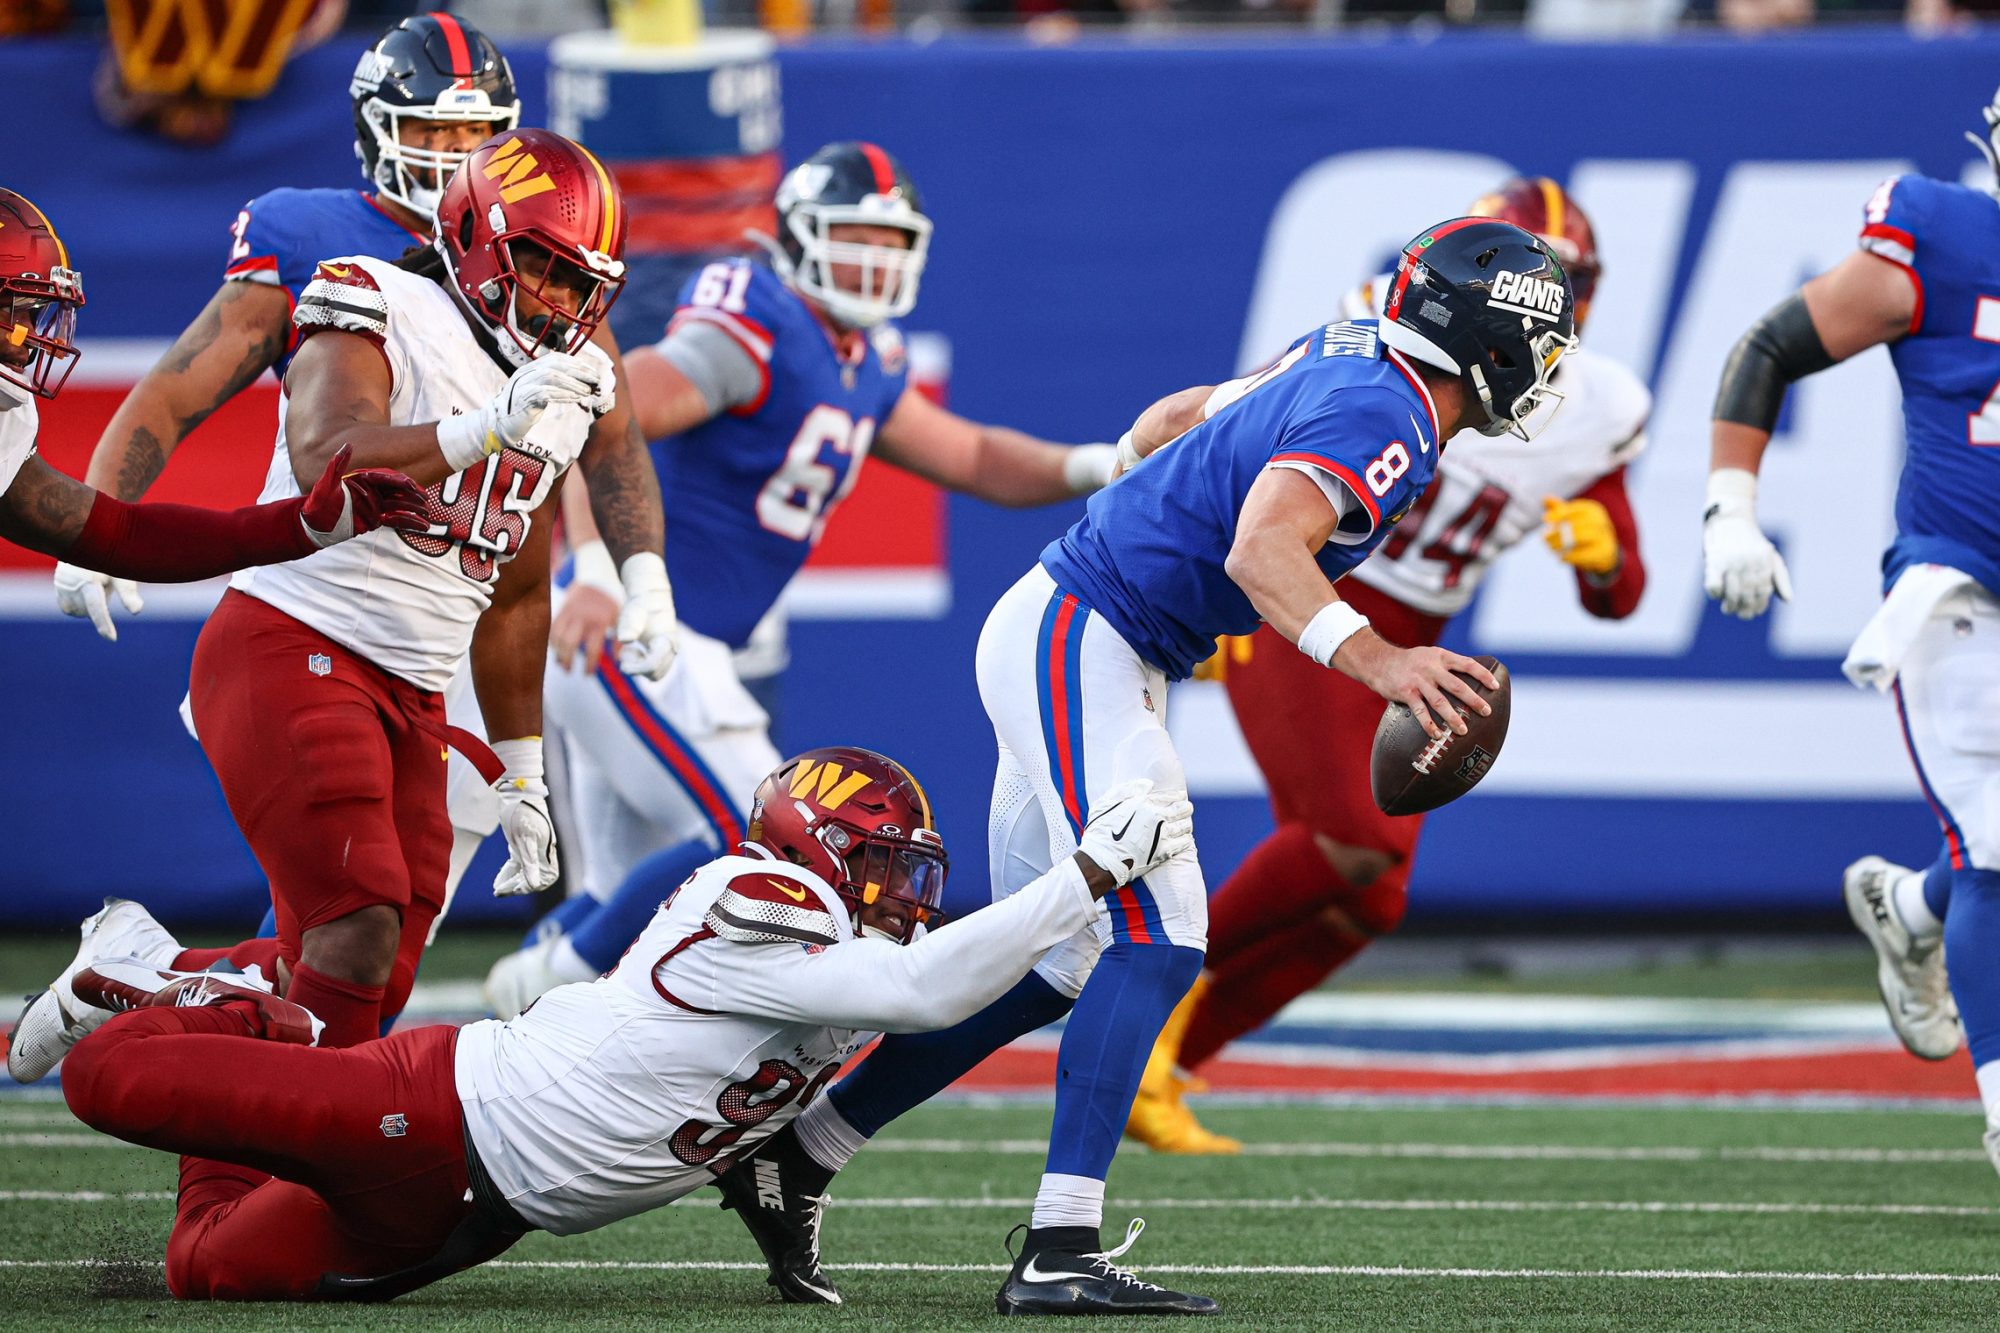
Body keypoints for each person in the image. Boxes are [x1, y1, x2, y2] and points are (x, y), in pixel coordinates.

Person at [719, 217, 1577, 1315]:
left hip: (1081, 625)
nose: (1546, 365)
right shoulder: (1392, 409)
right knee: (1161, 931)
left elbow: (1171, 422)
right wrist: (1379, 661)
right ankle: (1056, 1246)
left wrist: (1144, 520)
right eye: (1536, 338)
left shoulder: (1349, 349)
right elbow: (1261, 548)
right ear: (1487, 342)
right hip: (1087, 634)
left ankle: (803, 1148)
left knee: (1058, 959)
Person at [10, 128, 677, 1085]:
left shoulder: (558, 380)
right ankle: (237, 1182)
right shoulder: (373, 293)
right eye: (541, 269)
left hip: (414, 691)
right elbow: (334, 454)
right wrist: (486, 423)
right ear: (479, 236)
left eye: (582, 286)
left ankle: (141, 975)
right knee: (355, 925)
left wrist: (524, 772)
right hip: (300, 642)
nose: (560, 304)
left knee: (359, 989)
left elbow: (518, 586)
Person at [48, 749, 1191, 1304]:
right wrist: (1084, 872)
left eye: (910, 872)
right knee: (102, 1079)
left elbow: (945, 986)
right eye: (878, 866)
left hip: (482, 1212)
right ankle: (217, 991)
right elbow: (925, 997)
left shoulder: (842, 948)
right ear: (806, 854)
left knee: (201, 1266)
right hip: (434, 1108)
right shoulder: (752, 898)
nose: (900, 895)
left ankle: (258, 1019)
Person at [481, 141, 1119, 1015]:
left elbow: (971, 453)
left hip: (676, 647)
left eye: (892, 244)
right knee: (763, 832)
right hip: (638, 630)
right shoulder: (761, 322)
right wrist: (589, 564)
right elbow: (604, 410)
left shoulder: (867, 357)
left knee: (627, 896)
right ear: (801, 234)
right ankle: (538, 982)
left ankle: (537, 1015)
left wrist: (1104, 461)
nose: (875, 261)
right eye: (856, 237)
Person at [1129, 178, 1651, 1154]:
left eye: (1565, 284)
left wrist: (1604, 554)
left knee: (1372, 892)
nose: (1539, 314)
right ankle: (1146, 980)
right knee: (1347, 834)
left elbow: (1620, 595)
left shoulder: (1599, 406)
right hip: (1302, 593)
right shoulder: (1393, 336)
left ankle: (1170, 1060)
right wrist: (1205, 587)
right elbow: (1250, 437)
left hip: (1411, 625)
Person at [47, 15, 566, 990]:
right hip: (320, 609)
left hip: (443, 618)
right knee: (352, 913)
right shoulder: (317, 237)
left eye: (474, 134)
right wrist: (95, 523)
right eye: (432, 131)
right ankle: (234, 1099)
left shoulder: (538, 260)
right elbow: (178, 387)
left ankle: (149, 984)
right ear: (375, 128)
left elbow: (569, 479)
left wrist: (637, 578)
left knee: (383, 935)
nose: (454, 156)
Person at [1699, 89, 2000, 1170]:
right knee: (1999, 847)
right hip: (1960, 596)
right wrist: (1728, 510)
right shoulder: (1944, 234)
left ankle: (1909, 907)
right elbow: (1770, 343)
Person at [0, 188, 429, 606]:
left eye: (35, 316)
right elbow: (169, 401)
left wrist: (300, 528)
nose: (30, 342)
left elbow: (120, 536)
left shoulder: (8, 422)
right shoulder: (309, 231)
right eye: (16, 313)